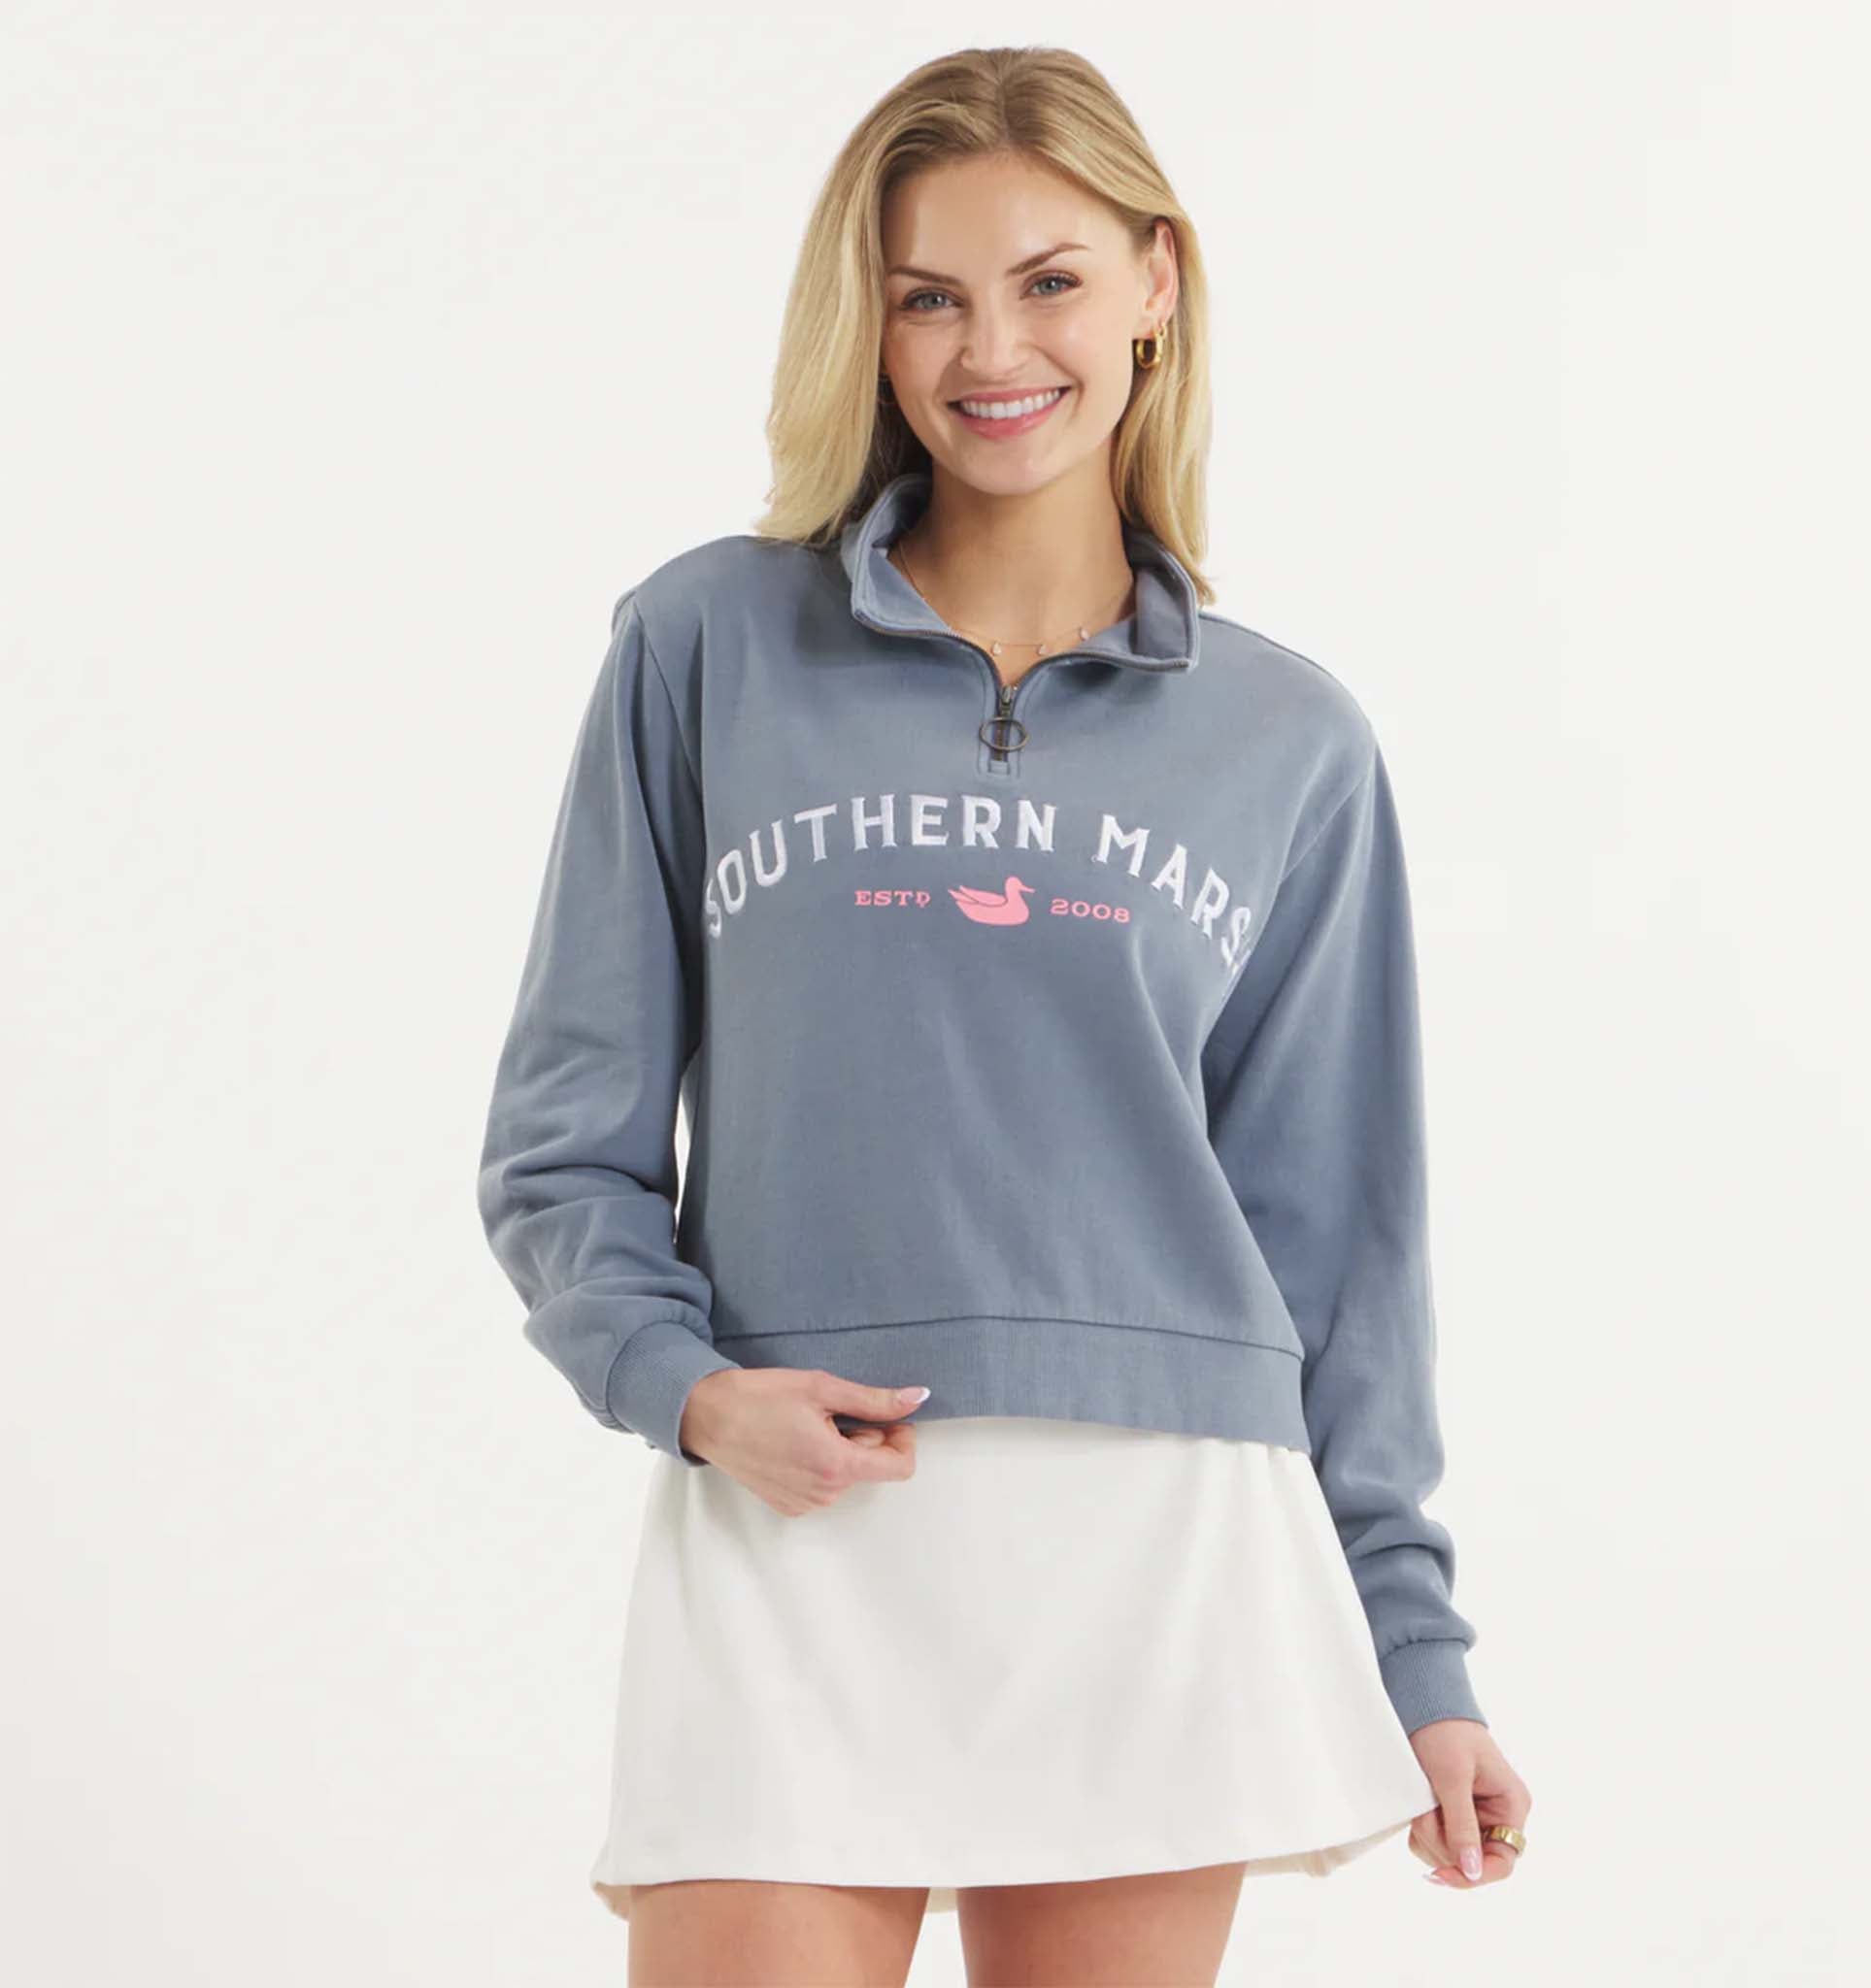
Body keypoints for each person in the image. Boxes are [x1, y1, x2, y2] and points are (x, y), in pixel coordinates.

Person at [476, 44, 1531, 1988]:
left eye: (1048, 280)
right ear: (866, 327)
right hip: (795, 1518)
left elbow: (1339, 1243)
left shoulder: (1286, 739)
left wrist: (1417, 1653)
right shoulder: (706, 645)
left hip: (1162, 1537)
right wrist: (686, 1389)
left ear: (1155, 283)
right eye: (926, 298)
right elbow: (563, 1144)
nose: (990, 351)